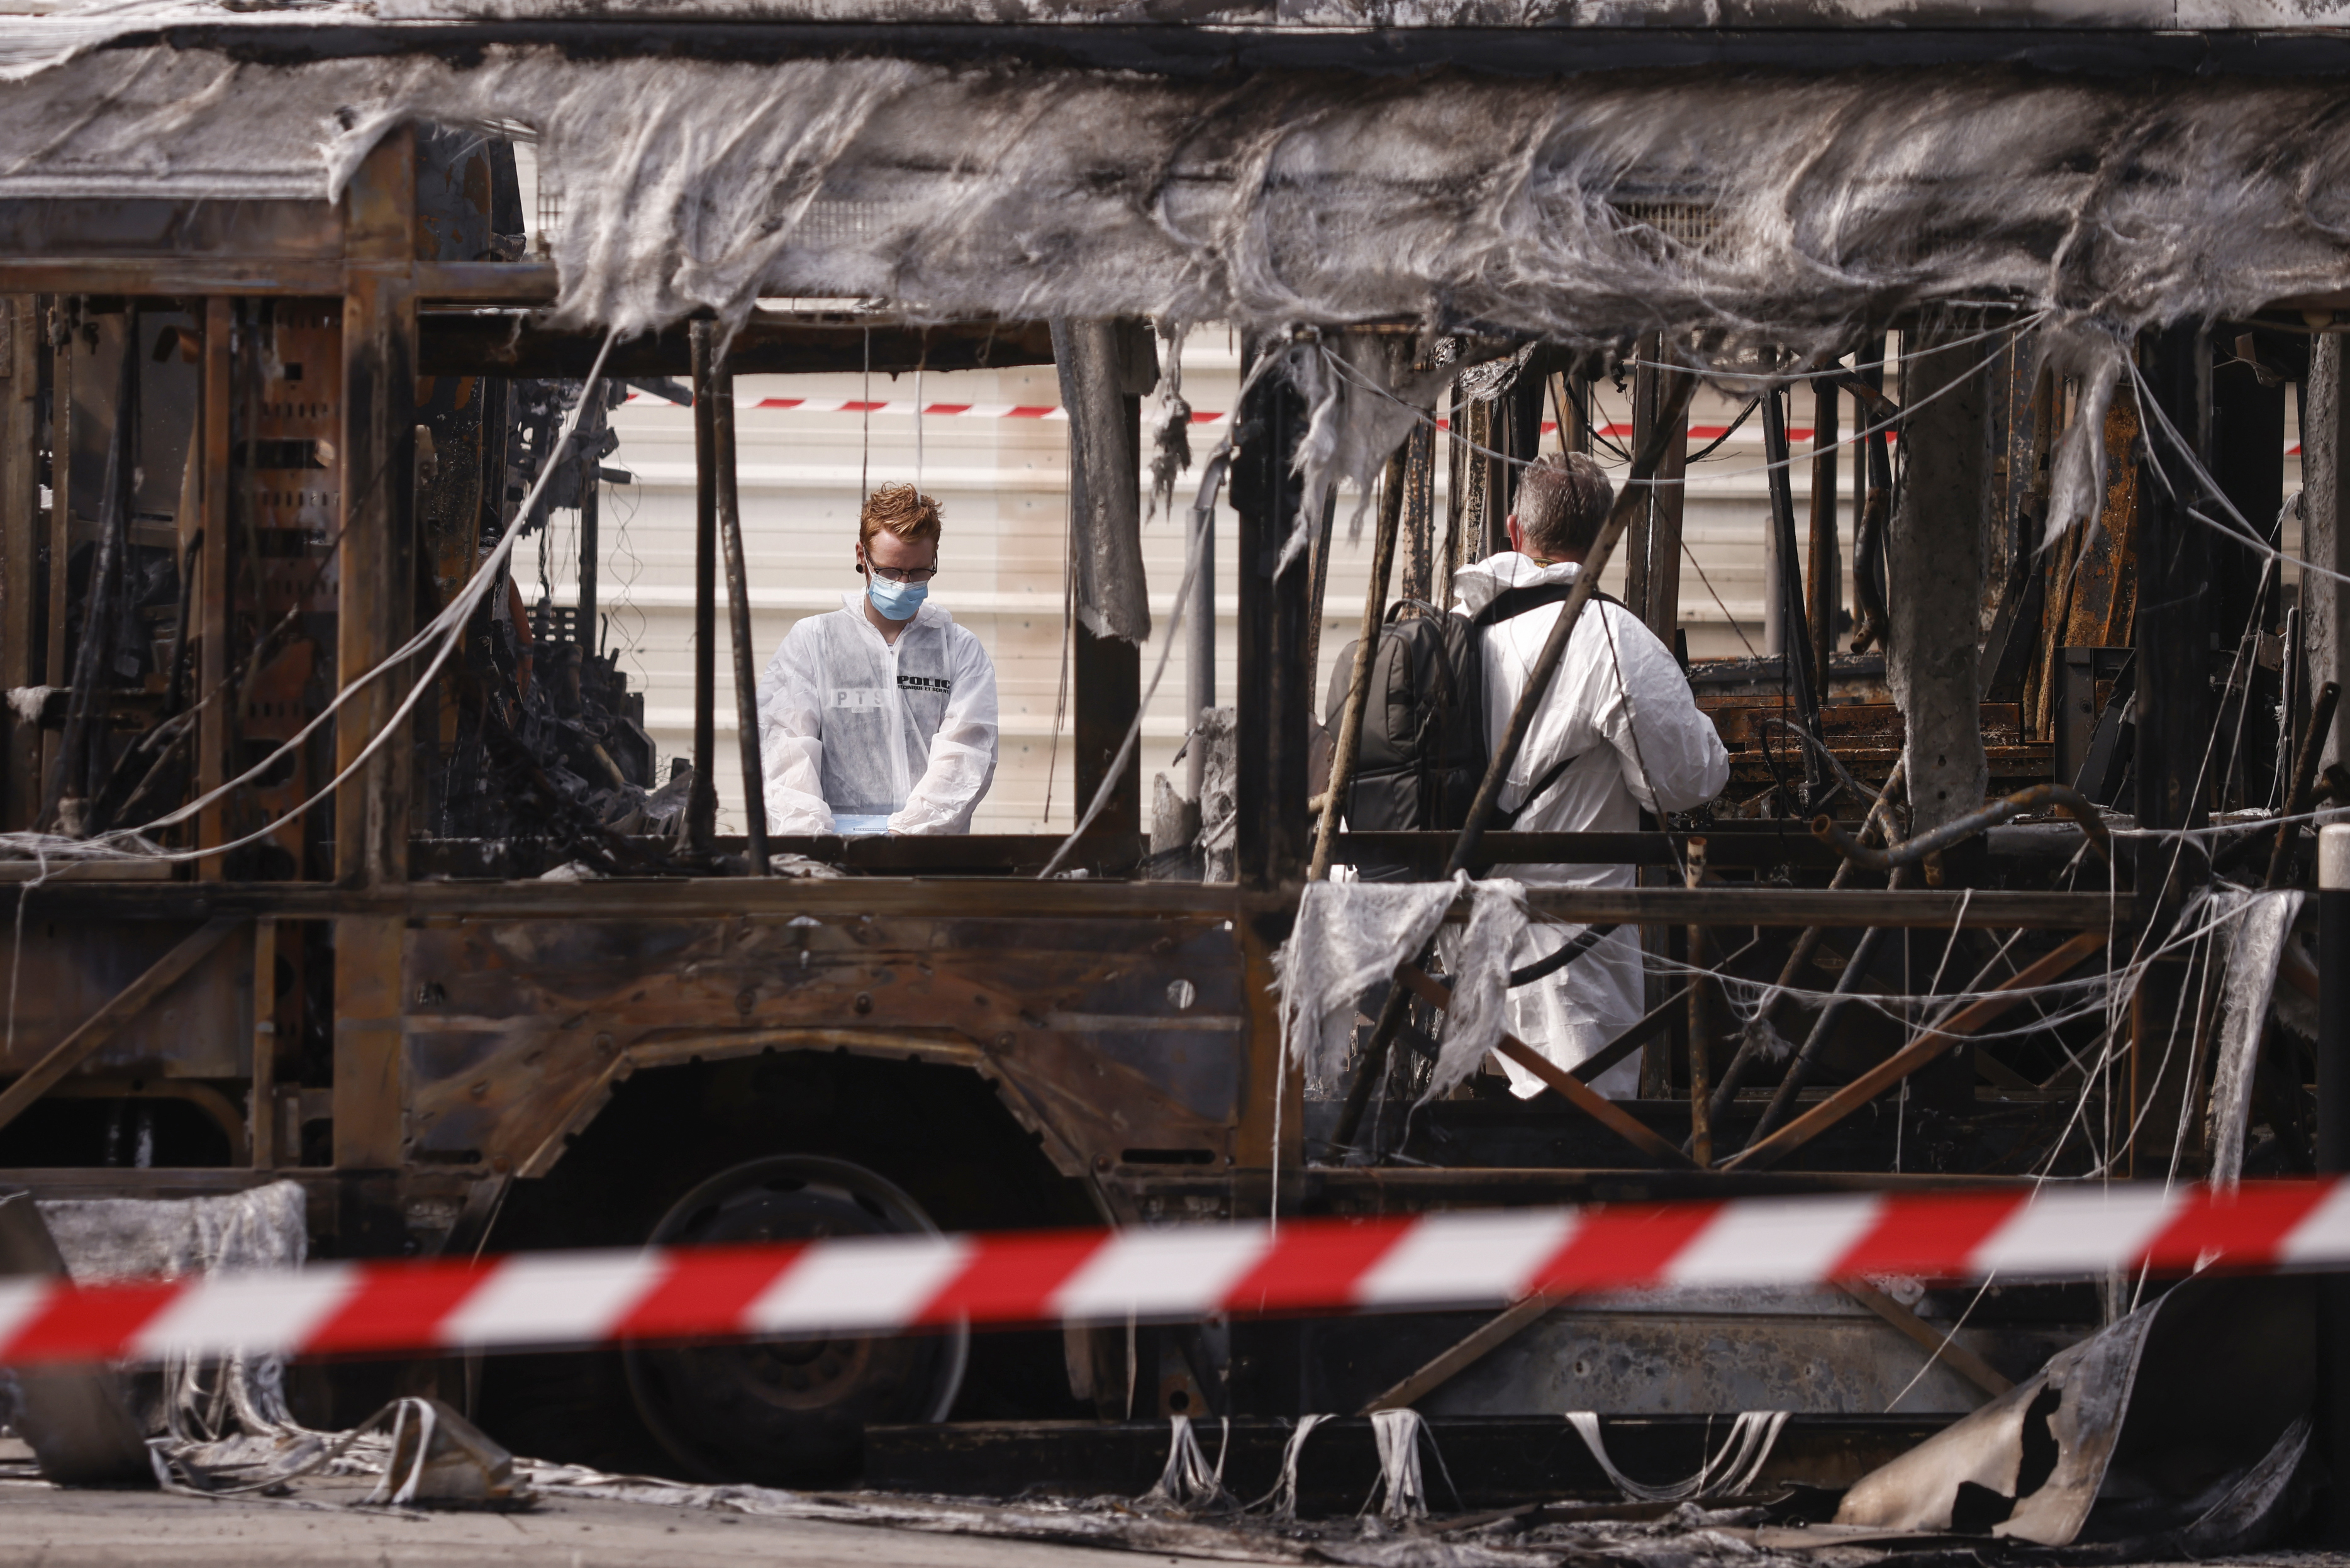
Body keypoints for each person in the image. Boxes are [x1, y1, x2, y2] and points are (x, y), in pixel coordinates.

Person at [1454, 452, 1729, 1097]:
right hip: (1571, 951)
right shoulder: (1611, 635)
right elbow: (1688, 781)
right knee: (1582, 1140)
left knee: (1479, 1137)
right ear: (1612, 539)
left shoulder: (1457, 631)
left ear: (1514, 532)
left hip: (1460, 942)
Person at [756, 482, 999, 835]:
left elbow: (967, 757)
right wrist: (812, 842)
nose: (903, 583)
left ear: (934, 561)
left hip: (928, 853)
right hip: (830, 850)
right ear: (861, 556)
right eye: (888, 572)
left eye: (918, 573)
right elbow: (785, 751)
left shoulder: (959, 650)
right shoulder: (813, 641)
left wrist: (909, 836)